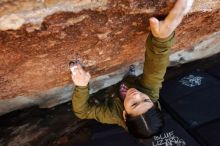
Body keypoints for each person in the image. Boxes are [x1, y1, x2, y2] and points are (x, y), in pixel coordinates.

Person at [70, 0, 194, 138]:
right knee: (130, 79)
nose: (137, 96)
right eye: (146, 101)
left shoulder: (112, 115)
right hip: (132, 83)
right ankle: (130, 76)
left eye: (134, 104)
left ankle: (128, 79)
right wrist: (162, 39)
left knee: (125, 85)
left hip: (112, 95)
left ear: (124, 114)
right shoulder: (151, 93)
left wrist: (81, 86)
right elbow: (156, 69)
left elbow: (83, 112)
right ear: (153, 103)